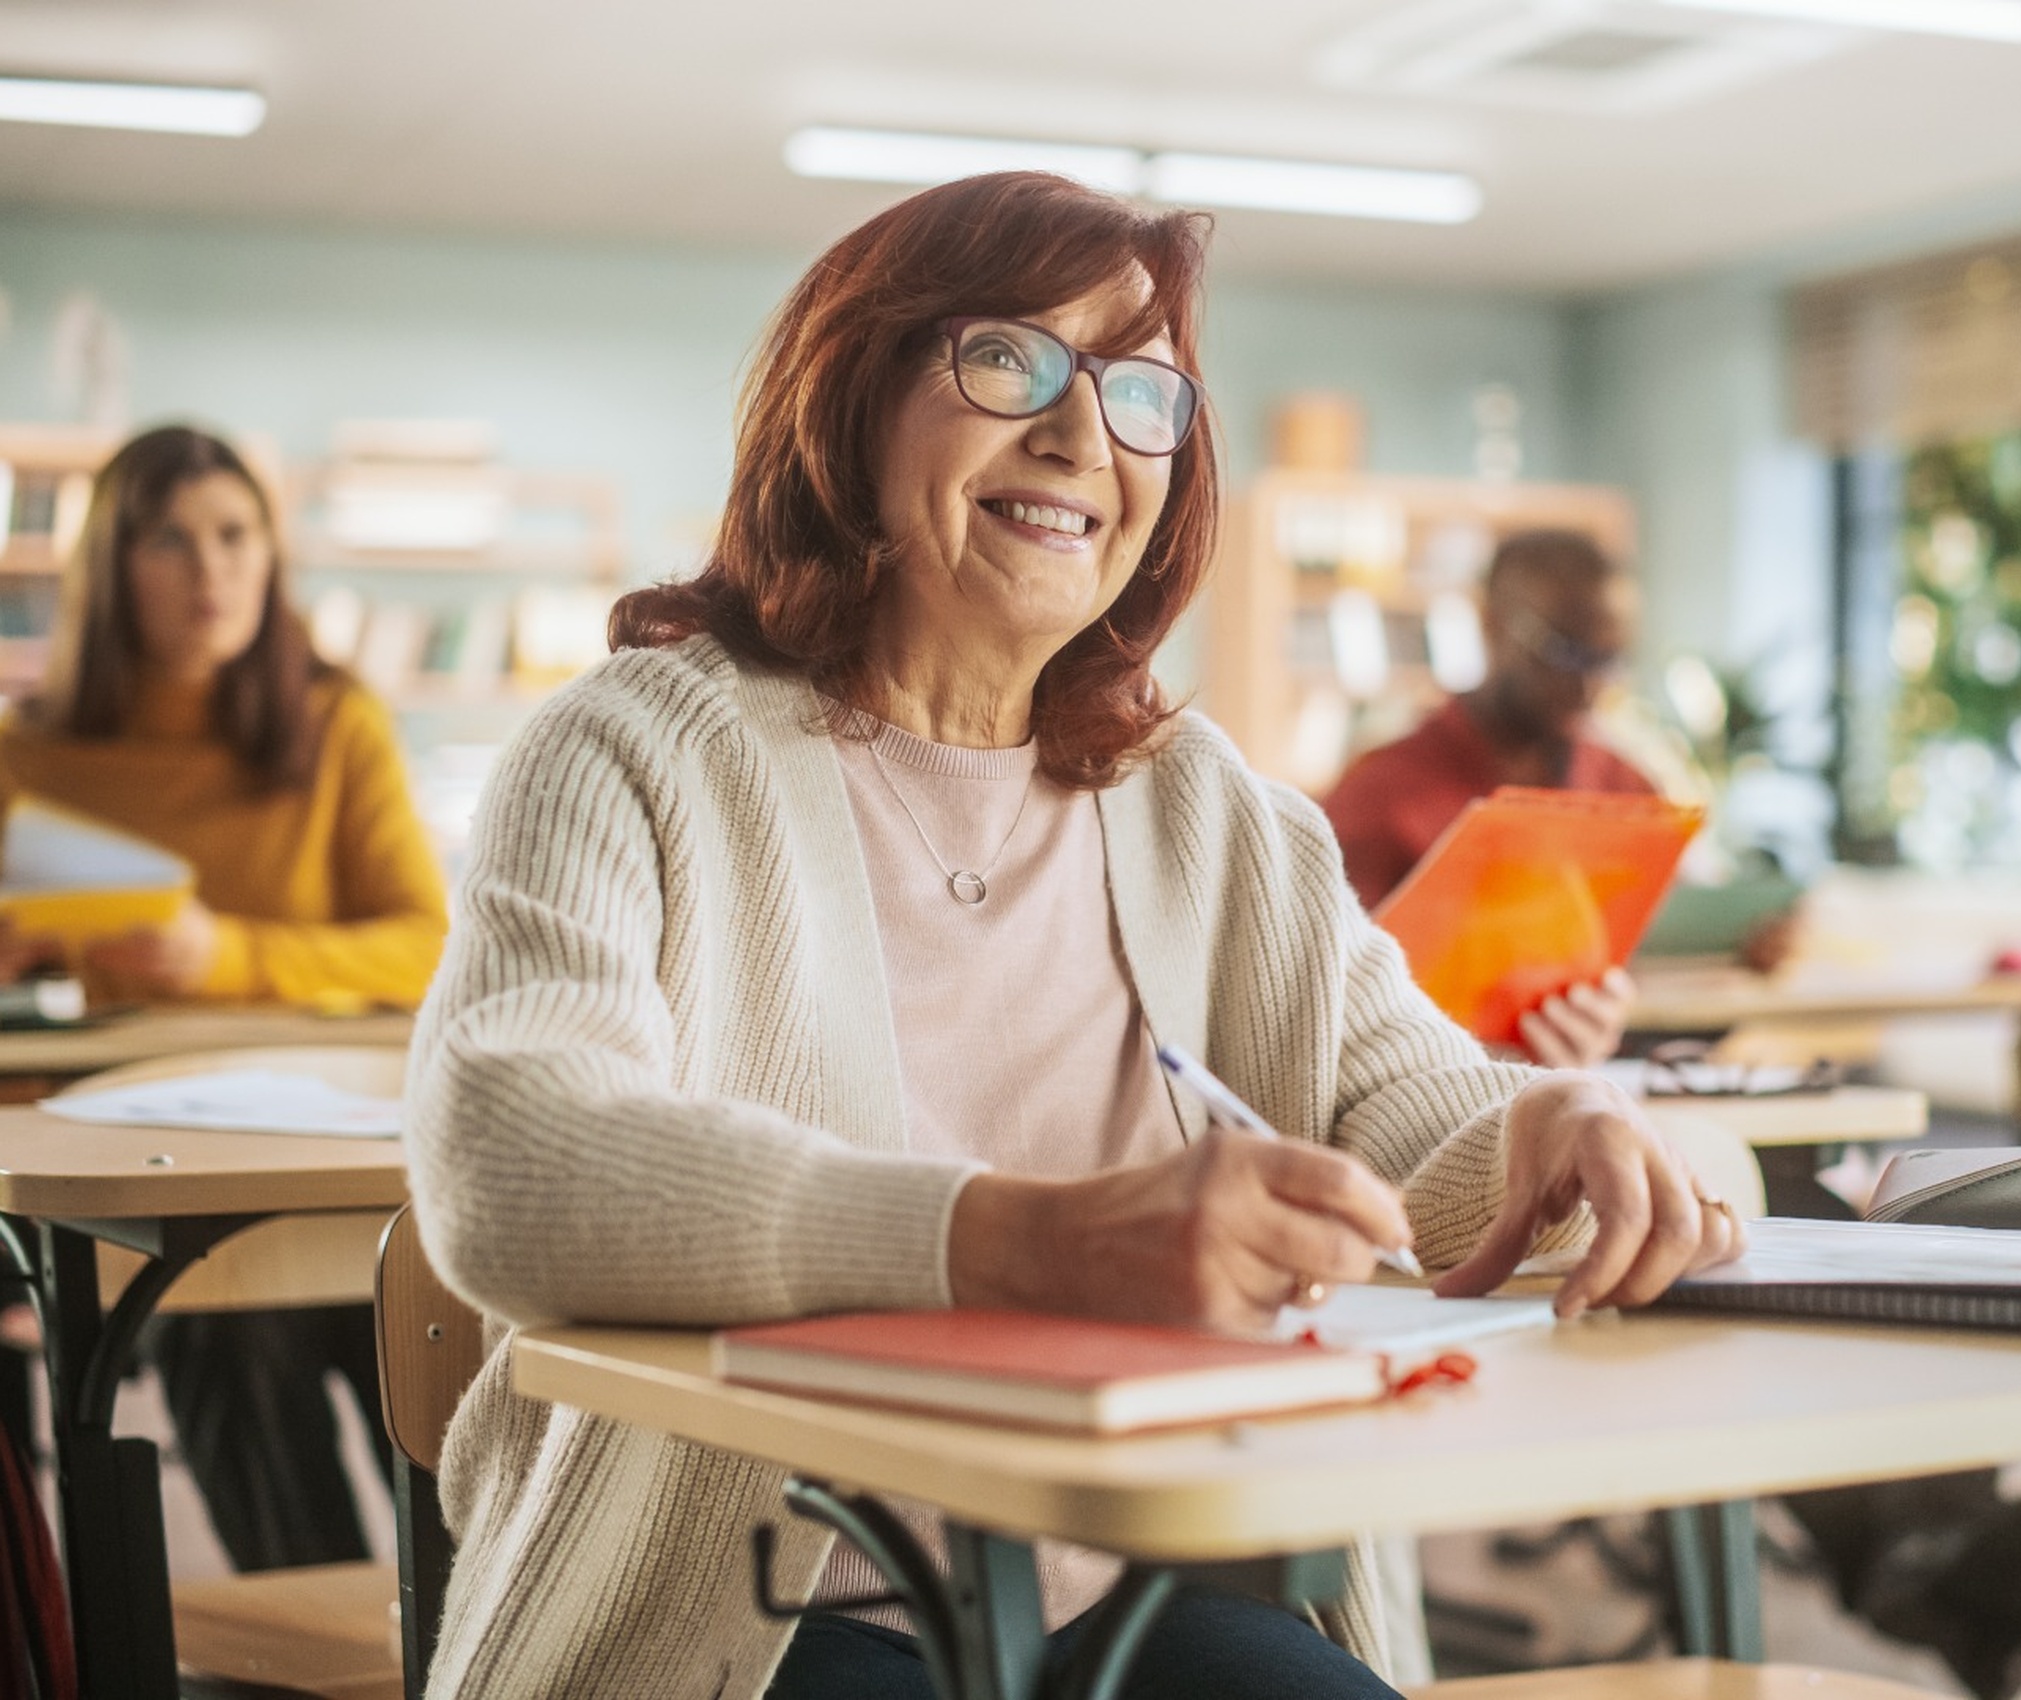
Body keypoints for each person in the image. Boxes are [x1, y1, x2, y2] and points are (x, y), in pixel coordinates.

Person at [404, 170, 1746, 1700]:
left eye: (1140, 391)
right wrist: (1023, 1241)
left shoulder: (1212, 809)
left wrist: (1557, 1121)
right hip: (752, 1607)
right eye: (1008, 361)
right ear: (847, 403)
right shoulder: (629, 750)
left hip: (1112, 1594)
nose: (1080, 434)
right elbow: (507, 1165)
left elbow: (1417, 1133)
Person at [0, 423, 449, 1569]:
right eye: (171, 540)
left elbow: (425, 946)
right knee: (214, 1323)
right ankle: (317, 1644)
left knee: (431, 1332)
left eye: (237, 534)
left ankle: (468, 1632)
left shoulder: (334, 719)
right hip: (155, 1154)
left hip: (339, 1146)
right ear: (110, 562)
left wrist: (225, 955)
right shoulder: (26, 752)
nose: (213, 572)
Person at [1324, 530, 1796, 1069]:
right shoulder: (1380, 792)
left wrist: (1740, 952)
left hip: (1609, 1086)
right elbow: (1329, 1004)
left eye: (1609, 658)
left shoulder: (1625, 786)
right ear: (1492, 626)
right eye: (1567, 653)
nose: (1590, 686)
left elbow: (1667, 964)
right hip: (1429, 1095)